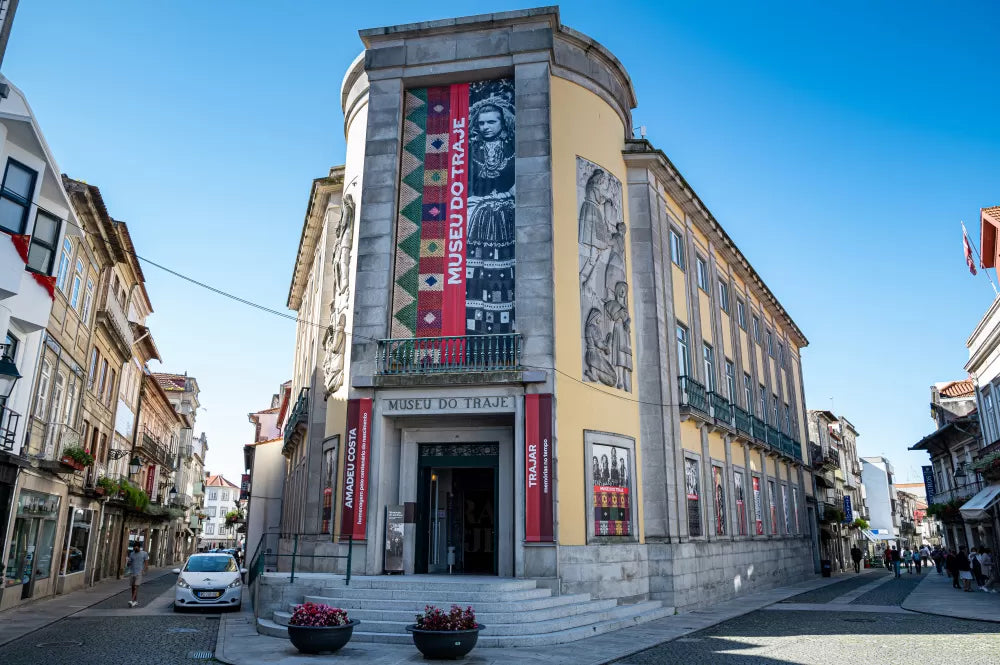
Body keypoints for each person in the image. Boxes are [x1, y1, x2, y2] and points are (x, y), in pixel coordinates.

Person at [125, 542, 149, 608]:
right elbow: (128, 564)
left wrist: (145, 570)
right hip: (132, 572)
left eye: (136, 547)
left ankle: (132, 600)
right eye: (134, 547)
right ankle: (135, 601)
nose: (135, 548)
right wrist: (128, 562)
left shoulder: (144, 553)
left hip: (139, 573)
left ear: (139, 547)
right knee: (133, 587)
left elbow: (146, 563)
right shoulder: (132, 554)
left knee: (136, 586)